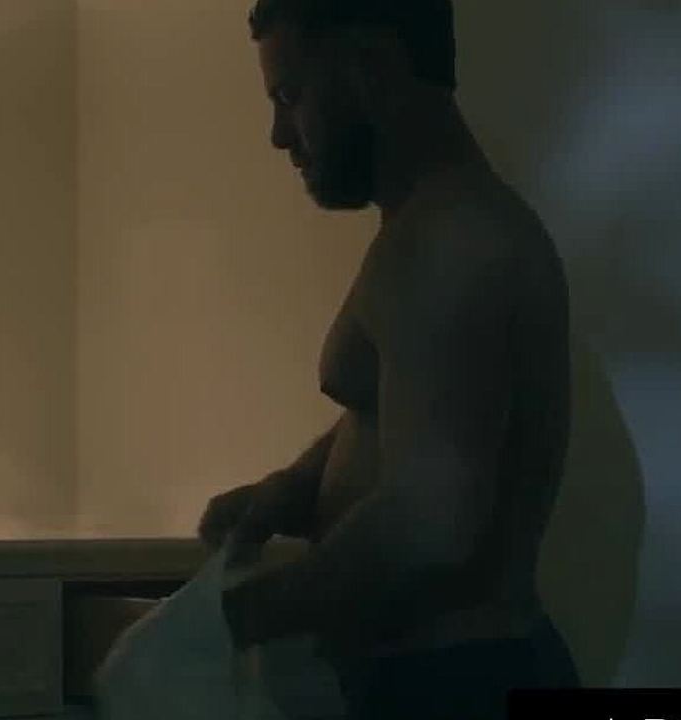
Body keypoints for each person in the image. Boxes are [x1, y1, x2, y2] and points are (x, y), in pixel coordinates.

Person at [199, 0, 579, 716]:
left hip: (460, 687)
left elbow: (428, 524)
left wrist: (232, 621)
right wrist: (295, 487)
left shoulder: (452, 242)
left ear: (368, 68)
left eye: (291, 96)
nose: (279, 135)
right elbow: (416, 415)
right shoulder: (428, 229)